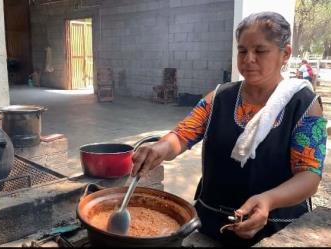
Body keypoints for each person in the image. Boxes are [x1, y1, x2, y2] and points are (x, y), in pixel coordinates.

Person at [131, 11, 327, 246]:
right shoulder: (220, 97)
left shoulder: (304, 106)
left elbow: (309, 176)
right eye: (242, 50)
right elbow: (183, 134)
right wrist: (159, 149)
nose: (248, 59)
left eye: (260, 51)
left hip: (276, 227)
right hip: (212, 221)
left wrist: (268, 200)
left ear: (285, 54)